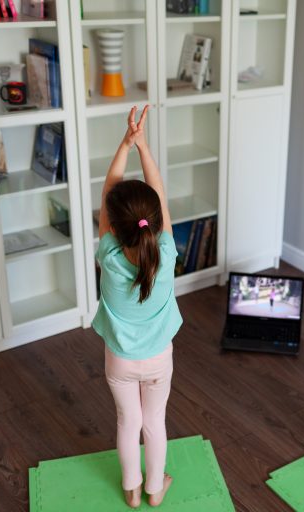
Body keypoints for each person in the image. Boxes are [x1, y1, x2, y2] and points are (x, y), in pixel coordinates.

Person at [93, 105, 182, 508]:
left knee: (127, 423)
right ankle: (153, 489)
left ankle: (130, 490)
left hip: (120, 363)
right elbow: (158, 191)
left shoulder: (109, 258)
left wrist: (125, 143)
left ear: (112, 226)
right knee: (154, 423)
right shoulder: (165, 251)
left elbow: (109, 189)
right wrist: (144, 146)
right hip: (158, 359)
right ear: (157, 223)